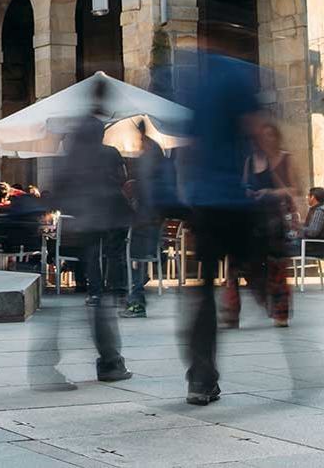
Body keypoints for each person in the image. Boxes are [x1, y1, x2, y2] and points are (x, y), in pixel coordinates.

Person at [177, 43, 263, 405]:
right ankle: (267, 293)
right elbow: (259, 131)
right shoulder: (240, 75)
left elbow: (189, 149)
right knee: (255, 268)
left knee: (203, 290)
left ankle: (200, 376)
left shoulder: (197, 86)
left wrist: (187, 196)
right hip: (234, 201)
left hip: (206, 204)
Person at [30, 104, 132, 390]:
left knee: (78, 302)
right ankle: (110, 363)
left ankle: (47, 367)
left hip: (81, 230)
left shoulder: (71, 158)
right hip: (108, 222)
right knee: (101, 304)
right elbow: (122, 180)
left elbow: (56, 194)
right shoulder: (109, 154)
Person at [222, 119, 299, 329]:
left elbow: (294, 190)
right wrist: (247, 192)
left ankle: (280, 313)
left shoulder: (285, 158)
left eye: (270, 135)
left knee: (276, 267)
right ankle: (231, 313)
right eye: (262, 136)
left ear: (275, 136)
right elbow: (243, 186)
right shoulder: (250, 161)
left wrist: (271, 192)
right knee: (236, 264)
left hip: (274, 221)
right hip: (253, 220)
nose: (266, 140)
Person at [122, 120, 172, 318]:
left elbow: (148, 190)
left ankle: (136, 302)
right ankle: (135, 299)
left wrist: (141, 213)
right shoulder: (153, 152)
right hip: (151, 216)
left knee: (133, 258)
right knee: (136, 259)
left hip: (147, 217)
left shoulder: (149, 154)